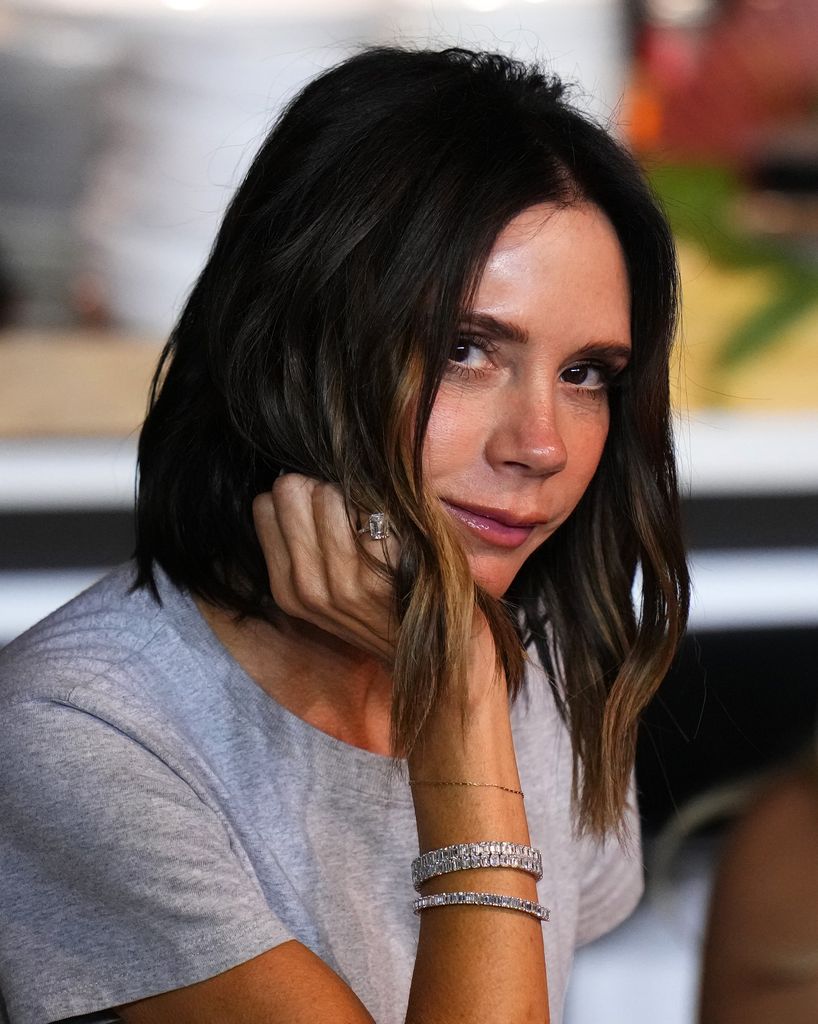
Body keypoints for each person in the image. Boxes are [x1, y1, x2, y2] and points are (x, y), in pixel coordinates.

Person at [0, 46, 689, 1024]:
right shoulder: (85, 733)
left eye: (586, 374)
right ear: (299, 342)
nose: (539, 443)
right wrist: (459, 712)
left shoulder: (546, 661)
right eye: (464, 350)